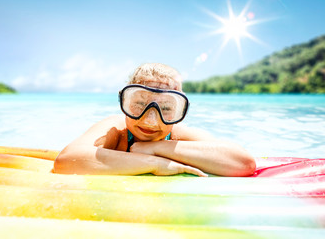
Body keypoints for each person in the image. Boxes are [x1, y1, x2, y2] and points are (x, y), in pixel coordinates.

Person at [53, 63, 255, 177]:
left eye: (166, 108)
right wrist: (153, 163)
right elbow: (65, 161)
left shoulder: (176, 135)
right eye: (139, 104)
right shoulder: (116, 129)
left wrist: (158, 148)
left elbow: (244, 163)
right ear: (124, 101)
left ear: (180, 111)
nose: (150, 121)